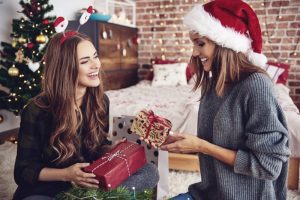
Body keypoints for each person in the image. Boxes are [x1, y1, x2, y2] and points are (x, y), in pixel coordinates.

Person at [156, 1, 290, 200]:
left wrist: (200, 146)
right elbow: (216, 138)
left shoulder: (257, 86)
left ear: (225, 44)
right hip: (210, 193)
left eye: (200, 43)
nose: (193, 52)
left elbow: (268, 166)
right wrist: (179, 139)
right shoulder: (213, 84)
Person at [13, 32, 159, 200]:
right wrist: (66, 174)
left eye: (95, 56)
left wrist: (110, 149)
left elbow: (97, 147)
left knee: (150, 172)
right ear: (65, 68)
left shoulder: (101, 101)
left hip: (89, 184)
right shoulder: (36, 110)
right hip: (50, 189)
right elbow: (23, 171)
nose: (95, 65)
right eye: (84, 61)